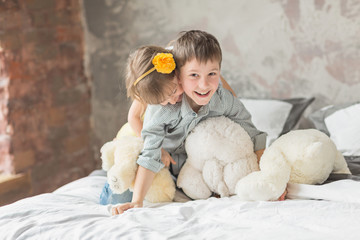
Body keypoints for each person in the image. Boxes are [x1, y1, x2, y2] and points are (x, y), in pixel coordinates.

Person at [111, 30, 269, 215]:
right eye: (193, 75)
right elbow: (149, 155)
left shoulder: (221, 98)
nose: (204, 85)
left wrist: (265, 177)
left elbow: (251, 132)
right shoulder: (160, 105)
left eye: (212, 74)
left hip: (194, 167)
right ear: (177, 75)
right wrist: (136, 201)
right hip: (166, 161)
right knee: (120, 189)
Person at [100, 45, 184, 205]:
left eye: (173, 91)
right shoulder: (148, 90)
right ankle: (109, 180)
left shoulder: (166, 77)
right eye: (164, 101)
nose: (172, 101)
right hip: (134, 136)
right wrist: (155, 147)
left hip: (155, 141)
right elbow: (133, 117)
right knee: (123, 183)